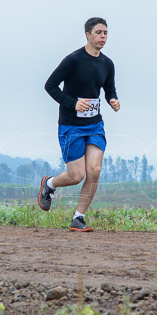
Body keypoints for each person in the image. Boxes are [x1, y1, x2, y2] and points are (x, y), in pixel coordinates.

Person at [39, 18, 120, 231]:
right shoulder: (73, 60)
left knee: (94, 170)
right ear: (87, 35)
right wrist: (73, 103)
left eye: (105, 33)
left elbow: (109, 89)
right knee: (76, 175)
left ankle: (79, 217)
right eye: (98, 33)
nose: (103, 37)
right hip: (71, 125)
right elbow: (50, 86)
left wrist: (113, 99)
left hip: (94, 125)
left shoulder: (107, 63)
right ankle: (49, 184)